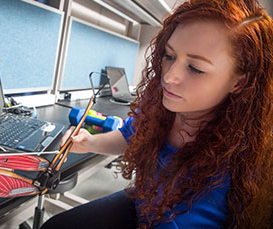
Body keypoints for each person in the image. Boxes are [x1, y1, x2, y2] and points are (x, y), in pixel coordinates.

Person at [42, 0, 273, 228]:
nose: (169, 77)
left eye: (195, 68)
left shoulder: (237, 170)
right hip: (146, 206)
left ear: (240, 82)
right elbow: (132, 135)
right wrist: (89, 142)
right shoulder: (164, 109)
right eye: (169, 56)